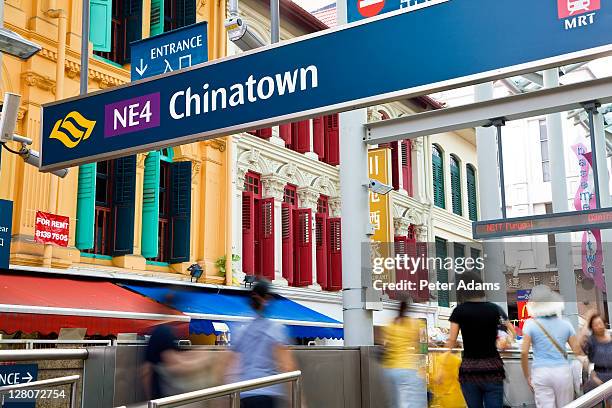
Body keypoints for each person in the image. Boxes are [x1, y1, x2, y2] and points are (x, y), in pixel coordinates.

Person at [223, 279, 297, 408]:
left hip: (244, 395)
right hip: (267, 393)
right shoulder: (276, 329)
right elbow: (287, 367)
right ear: (267, 299)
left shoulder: (241, 329)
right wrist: (298, 401)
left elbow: (230, 367)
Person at [446, 272, 515, 408]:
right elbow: (512, 331)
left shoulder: (459, 311)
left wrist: (444, 364)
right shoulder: (495, 309)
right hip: (492, 370)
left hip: (469, 371)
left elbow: (451, 341)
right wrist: (507, 341)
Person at [520, 285, 583, 408]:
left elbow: (524, 352)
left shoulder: (530, 324)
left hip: (541, 373)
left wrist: (527, 375)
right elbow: (577, 351)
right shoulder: (566, 323)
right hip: (563, 372)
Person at [142, 324, 218, 400]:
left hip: (162, 394)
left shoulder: (164, 332)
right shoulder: (163, 332)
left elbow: (177, 358)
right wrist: (205, 359)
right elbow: (176, 361)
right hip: (163, 393)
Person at [381, 300, 427, 408]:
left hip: (390, 370)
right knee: (416, 403)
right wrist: (422, 369)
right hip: (408, 368)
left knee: (395, 403)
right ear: (409, 309)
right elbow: (421, 348)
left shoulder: (391, 324)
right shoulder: (415, 324)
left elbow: (385, 345)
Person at [579, 310, 612, 406]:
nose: (598, 326)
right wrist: (587, 320)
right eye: (595, 324)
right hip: (598, 377)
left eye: (600, 323)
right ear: (592, 327)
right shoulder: (591, 341)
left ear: (604, 324)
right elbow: (580, 344)